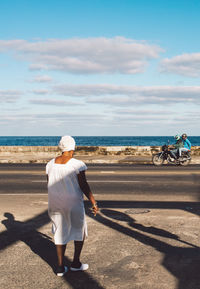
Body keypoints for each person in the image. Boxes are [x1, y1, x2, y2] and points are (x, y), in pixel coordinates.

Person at [46, 135, 98, 276]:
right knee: (78, 231)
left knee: (59, 232)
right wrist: (93, 201)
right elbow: (83, 185)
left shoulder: (50, 164)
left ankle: (60, 267)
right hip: (73, 203)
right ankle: (75, 263)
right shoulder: (77, 164)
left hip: (55, 203)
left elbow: (49, 183)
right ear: (72, 148)